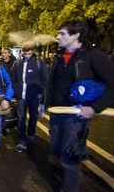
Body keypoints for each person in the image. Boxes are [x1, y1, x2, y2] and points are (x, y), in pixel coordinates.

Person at [39, 19, 114, 192]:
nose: (58, 37)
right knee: (56, 150)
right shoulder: (58, 57)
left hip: (77, 115)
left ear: (76, 35)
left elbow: (112, 84)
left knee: (69, 158)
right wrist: (44, 102)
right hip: (57, 112)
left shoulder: (93, 56)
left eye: (62, 34)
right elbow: (51, 83)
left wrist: (94, 108)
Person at [10, 43, 48, 153]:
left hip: (34, 97)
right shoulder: (17, 63)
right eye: (25, 53)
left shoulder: (39, 63)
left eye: (29, 53)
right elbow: (12, 77)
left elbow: (45, 80)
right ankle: (22, 141)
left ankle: (31, 133)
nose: (27, 55)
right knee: (21, 119)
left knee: (33, 117)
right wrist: (16, 89)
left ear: (33, 52)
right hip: (21, 97)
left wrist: (41, 95)